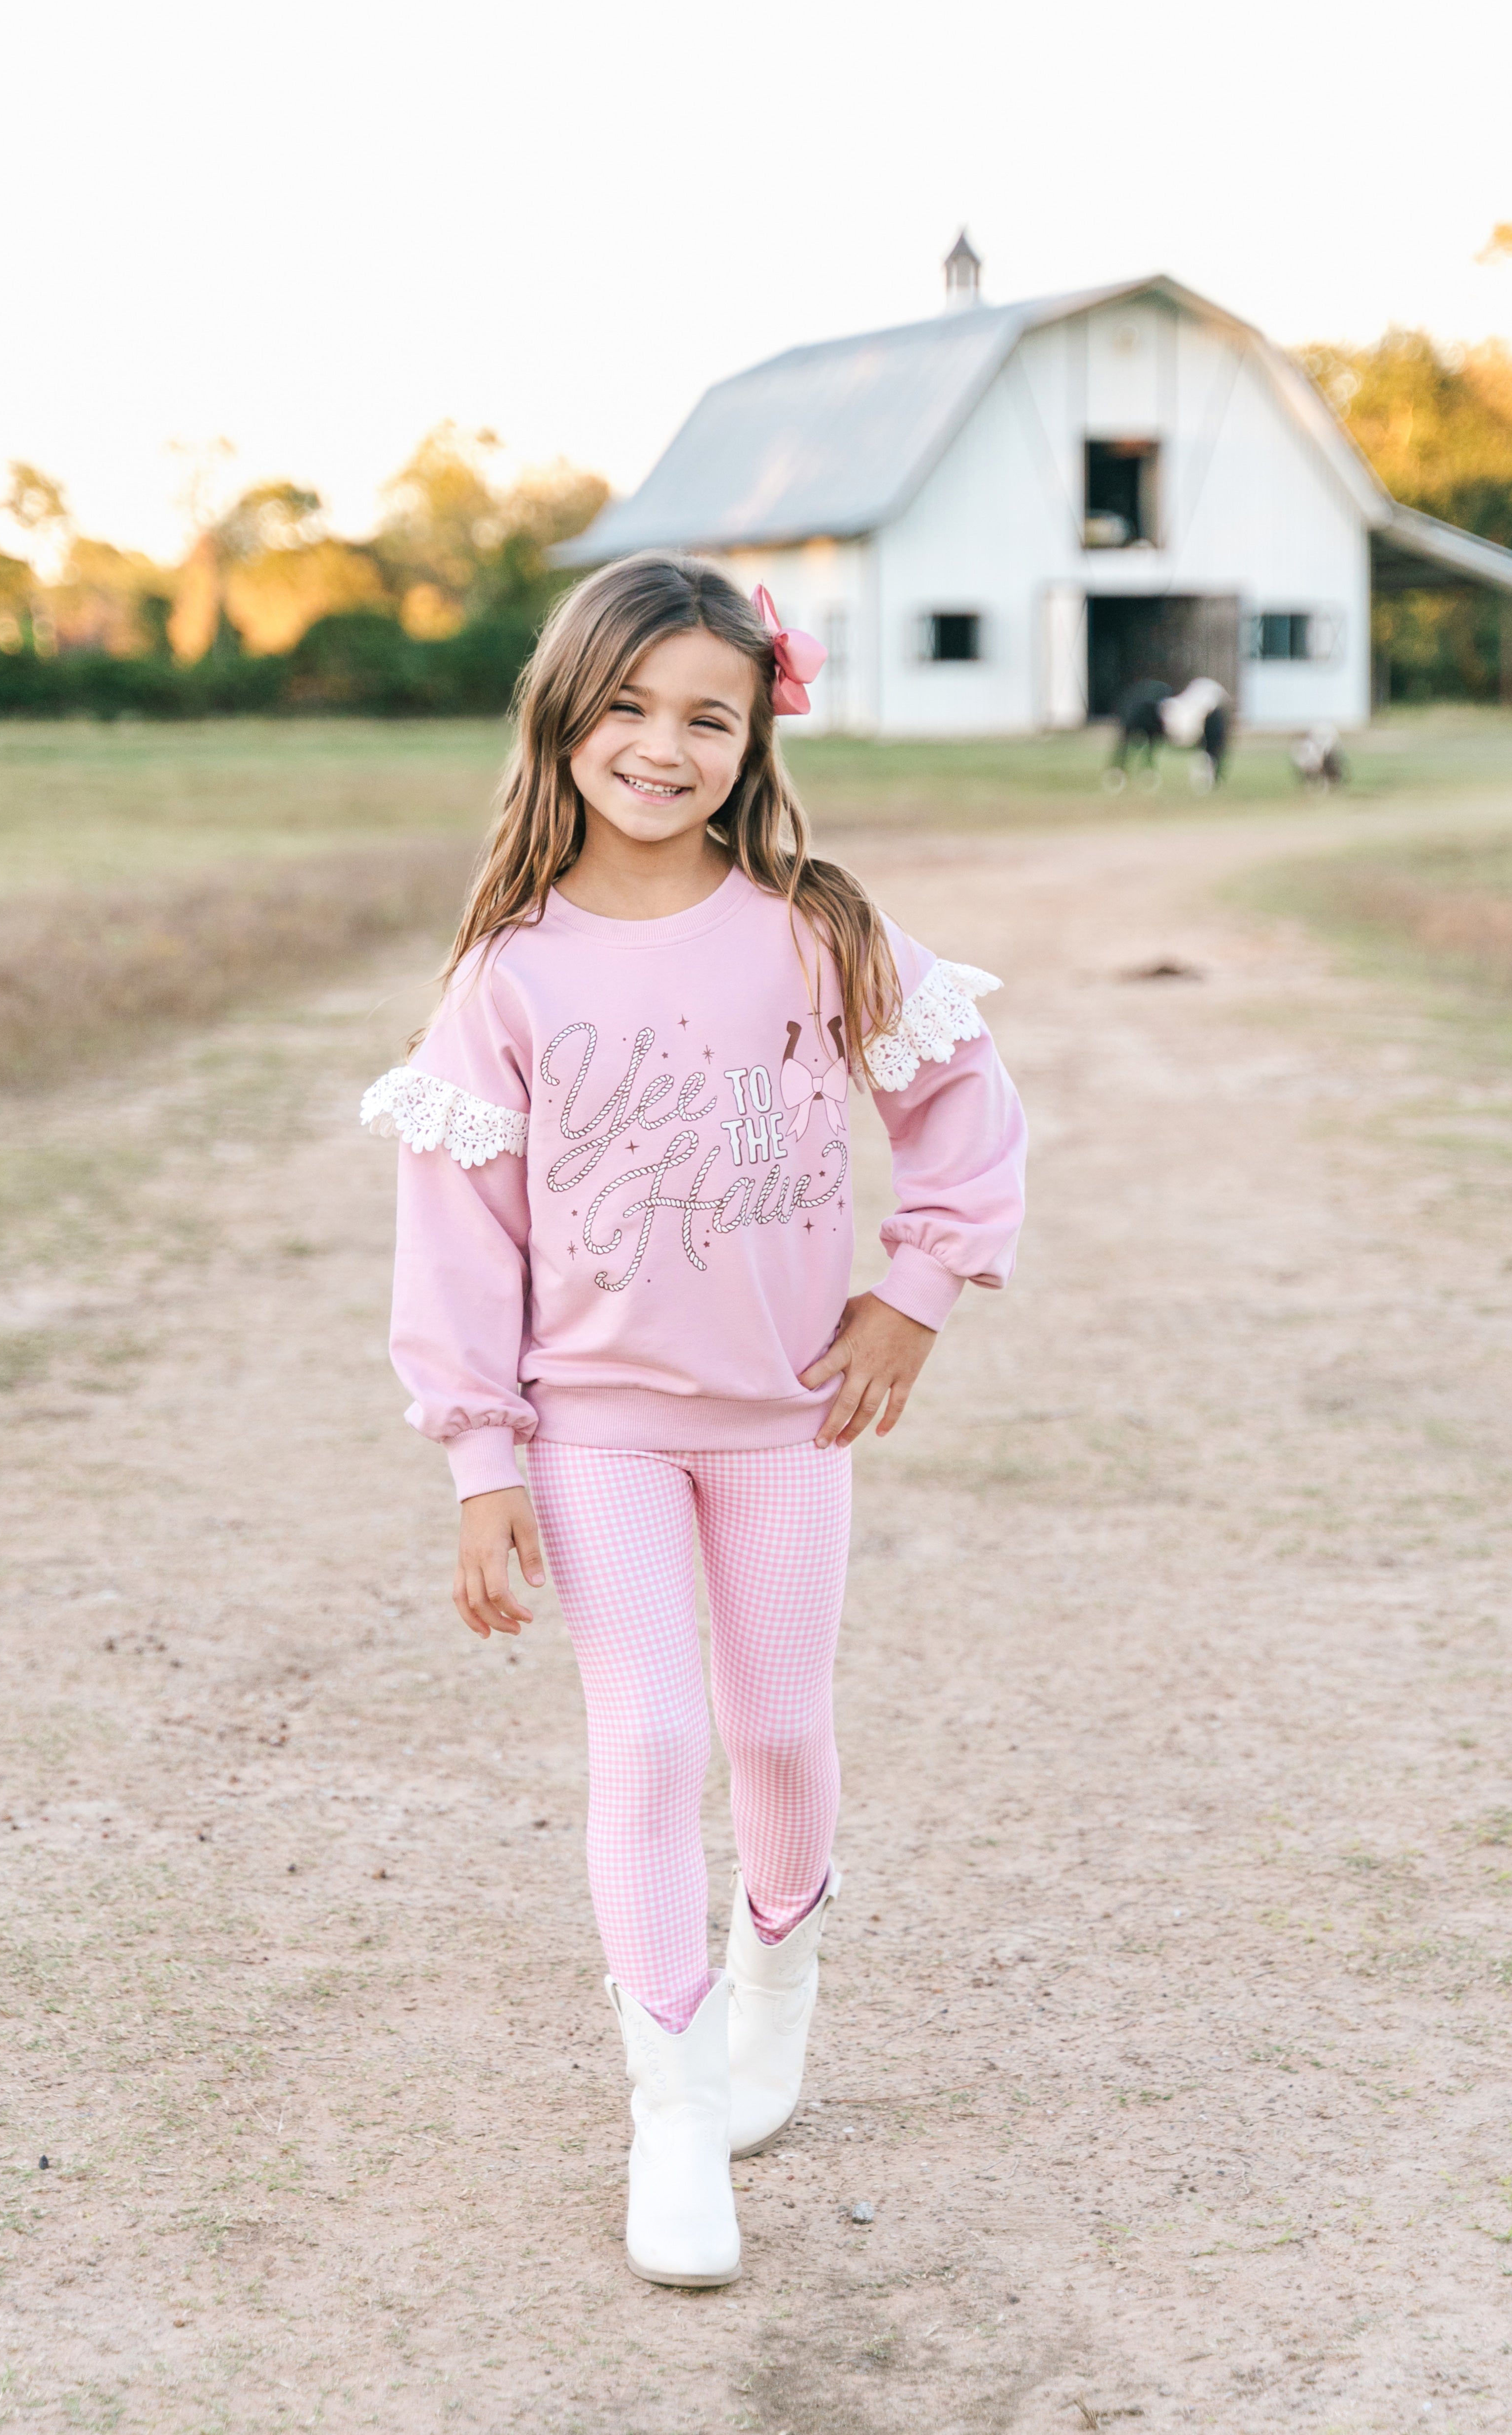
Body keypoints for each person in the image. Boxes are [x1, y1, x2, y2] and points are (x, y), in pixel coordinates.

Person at [362, 554, 1026, 2288]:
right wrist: (480, 1461)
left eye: (706, 716)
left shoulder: (817, 930)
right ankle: (669, 2112)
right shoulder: (508, 977)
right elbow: (459, 1243)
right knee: (649, 1742)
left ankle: (775, 1979)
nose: (663, 746)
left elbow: (959, 1110)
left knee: (779, 1735)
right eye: (630, 708)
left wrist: (917, 1290)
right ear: (565, 717)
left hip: (785, 1428)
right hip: (596, 1434)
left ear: (755, 737)